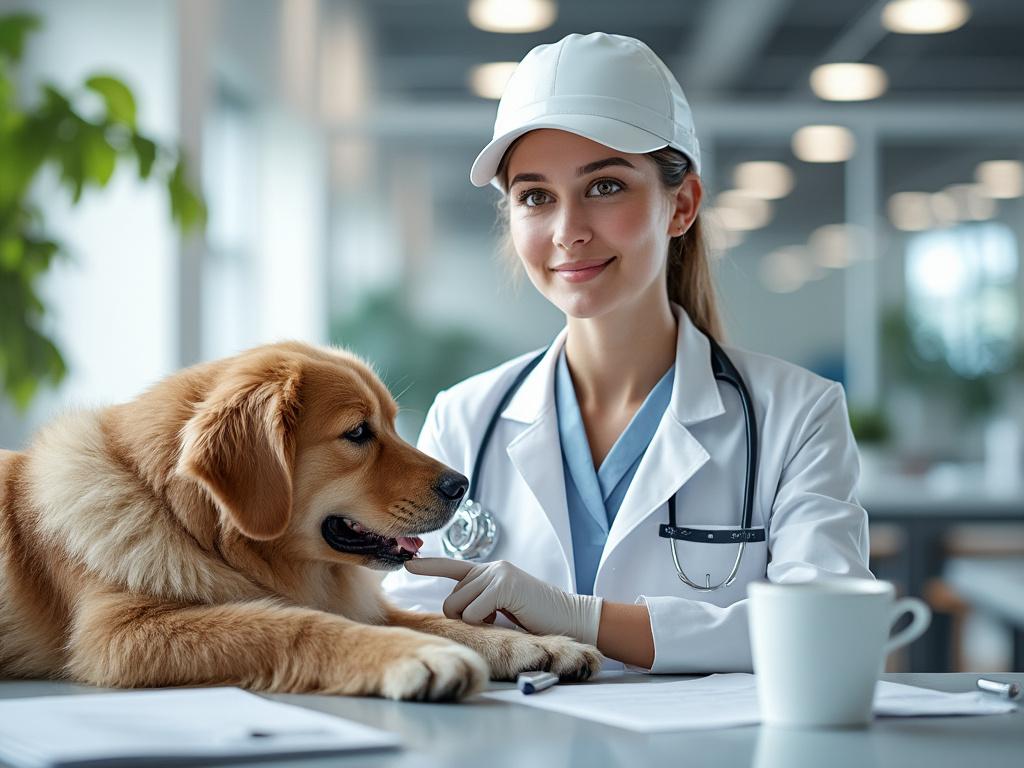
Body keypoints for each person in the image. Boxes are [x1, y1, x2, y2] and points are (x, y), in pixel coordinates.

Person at [382, 32, 872, 673]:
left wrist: (582, 619)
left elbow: (828, 628)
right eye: (535, 196)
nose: (568, 231)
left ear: (682, 205)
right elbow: (408, 631)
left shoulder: (797, 414)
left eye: (605, 186)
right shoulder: (465, 417)